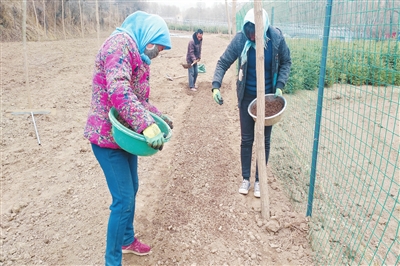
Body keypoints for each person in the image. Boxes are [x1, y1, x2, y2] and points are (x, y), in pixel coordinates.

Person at [83, 11, 173, 266]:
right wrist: (146, 125)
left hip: (125, 135)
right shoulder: (119, 45)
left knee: (131, 189)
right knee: (123, 199)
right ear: (148, 37)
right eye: (159, 45)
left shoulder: (139, 55)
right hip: (106, 136)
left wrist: (159, 117)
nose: (159, 51)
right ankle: (113, 261)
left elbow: (139, 100)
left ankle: (126, 239)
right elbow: (119, 90)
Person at [211, 8, 291, 198]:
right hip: (247, 96)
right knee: (247, 139)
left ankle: (258, 181)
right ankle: (246, 178)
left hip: (269, 99)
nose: (252, 38)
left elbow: (287, 62)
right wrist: (215, 85)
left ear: (263, 28)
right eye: (249, 34)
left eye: (256, 34)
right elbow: (223, 62)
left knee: (264, 139)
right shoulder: (241, 39)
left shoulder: (276, 38)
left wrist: (280, 84)